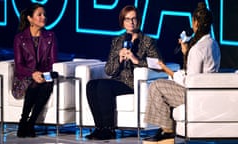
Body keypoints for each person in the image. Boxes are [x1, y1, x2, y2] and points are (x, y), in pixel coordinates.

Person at [143, 2, 220, 144]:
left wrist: (167, 70)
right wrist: (185, 52)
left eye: (193, 20)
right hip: (205, 91)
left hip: (195, 95)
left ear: (196, 22)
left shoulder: (198, 49)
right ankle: (166, 128)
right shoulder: (213, 44)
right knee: (163, 86)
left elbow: (190, 82)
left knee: (157, 86)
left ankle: (167, 131)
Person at [85, 5, 163, 140]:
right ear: (122, 22)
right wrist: (119, 59)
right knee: (91, 85)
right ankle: (99, 128)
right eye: (127, 19)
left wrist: (136, 60)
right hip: (118, 81)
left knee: (104, 86)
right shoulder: (117, 41)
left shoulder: (147, 41)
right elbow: (109, 70)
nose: (131, 22)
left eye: (134, 19)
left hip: (133, 83)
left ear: (138, 21)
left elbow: (158, 63)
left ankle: (109, 129)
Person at [14, 3, 58, 137]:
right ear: (30, 19)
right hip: (25, 76)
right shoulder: (20, 38)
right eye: (39, 15)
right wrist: (33, 73)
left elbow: (52, 61)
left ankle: (30, 123)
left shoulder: (50, 37)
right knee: (34, 84)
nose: (43, 17)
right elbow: (19, 65)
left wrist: (42, 75)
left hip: (45, 74)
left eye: (44, 14)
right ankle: (23, 120)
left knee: (48, 83)